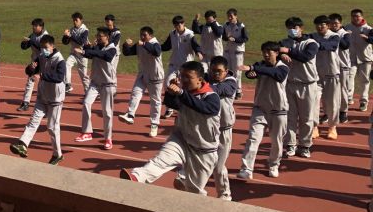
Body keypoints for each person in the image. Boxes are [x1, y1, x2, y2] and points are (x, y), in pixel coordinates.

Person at [120, 61, 220, 195]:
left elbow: (204, 108)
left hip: (204, 150)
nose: (183, 80)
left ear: (200, 80)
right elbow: (171, 103)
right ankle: (137, 177)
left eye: (188, 77)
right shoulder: (185, 93)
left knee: (194, 191)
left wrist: (181, 93)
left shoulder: (211, 97)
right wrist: (171, 92)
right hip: (181, 139)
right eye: (182, 76)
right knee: (160, 160)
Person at [10, 34, 67, 164]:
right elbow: (29, 70)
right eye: (42, 47)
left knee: (52, 127)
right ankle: (23, 144)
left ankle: (57, 154)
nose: (43, 50)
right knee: (33, 121)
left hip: (55, 99)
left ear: (52, 46)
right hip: (42, 96)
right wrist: (31, 68)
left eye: (46, 47)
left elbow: (59, 77)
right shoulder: (41, 56)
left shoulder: (60, 60)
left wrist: (41, 75)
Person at [237, 42, 289, 179]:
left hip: (278, 110)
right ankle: (246, 169)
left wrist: (254, 68)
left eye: (269, 52)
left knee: (277, 142)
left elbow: (277, 75)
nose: (266, 54)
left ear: (276, 53)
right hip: (260, 108)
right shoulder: (260, 65)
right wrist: (251, 72)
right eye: (264, 52)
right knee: (253, 139)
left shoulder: (283, 67)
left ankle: (273, 165)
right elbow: (250, 74)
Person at [279, 17, 319, 159]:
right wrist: (281, 54)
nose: (292, 30)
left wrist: (287, 51)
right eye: (290, 27)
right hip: (290, 83)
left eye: (295, 27)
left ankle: (305, 145)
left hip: (308, 84)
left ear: (301, 28)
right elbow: (276, 52)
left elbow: (305, 57)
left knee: (306, 118)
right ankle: (290, 144)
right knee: (290, 117)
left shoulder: (311, 43)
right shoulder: (284, 42)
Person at [74, 27, 118, 149]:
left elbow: (105, 56)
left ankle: (108, 139)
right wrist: (87, 48)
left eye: (100, 36)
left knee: (107, 112)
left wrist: (87, 51)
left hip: (108, 84)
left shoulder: (112, 49)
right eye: (97, 35)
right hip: (95, 83)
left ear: (107, 37)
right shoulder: (97, 47)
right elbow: (89, 54)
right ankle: (87, 132)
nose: (98, 38)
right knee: (86, 103)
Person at [118, 26, 165, 136]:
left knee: (155, 101)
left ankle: (154, 124)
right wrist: (125, 45)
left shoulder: (155, 44)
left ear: (150, 35)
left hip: (155, 76)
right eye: (141, 35)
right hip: (143, 74)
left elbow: (157, 52)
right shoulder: (140, 44)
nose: (142, 37)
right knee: (135, 93)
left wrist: (144, 44)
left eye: (144, 35)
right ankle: (130, 115)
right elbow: (127, 53)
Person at [160, 15, 203, 124]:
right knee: (167, 84)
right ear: (174, 25)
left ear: (183, 24)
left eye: (181, 23)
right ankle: (169, 108)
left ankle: (186, 108)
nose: (179, 25)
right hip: (174, 65)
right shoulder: (172, 34)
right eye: (176, 24)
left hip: (186, 67)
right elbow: (166, 46)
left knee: (186, 88)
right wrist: (155, 47)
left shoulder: (189, 34)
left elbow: (195, 45)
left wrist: (198, 52)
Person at [206, 56, 238, 200]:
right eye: (213, 70)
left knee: (218, 167)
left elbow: (219, 90)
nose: (216, 73)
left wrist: (200, 86)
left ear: (226, 71)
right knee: (201, 161)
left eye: (219, 71)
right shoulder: (205, 79)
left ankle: (225, 194)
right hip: (207, 130)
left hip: (224, 131)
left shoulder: (230, 82)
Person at [311, 15, 341, 140]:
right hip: (315, 75)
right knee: (313, 102)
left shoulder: (334, 36)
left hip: (331, 74)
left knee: (332, 103)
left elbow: (331, 46)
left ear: (328, 26)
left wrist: (314, 44)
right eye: (317, 25)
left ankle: (332, 127)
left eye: (322, 25)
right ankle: (314, 127)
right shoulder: (312, 36)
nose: (319, 27)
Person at [18, 18, 48, 111]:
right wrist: (24, 44)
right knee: (30, 80)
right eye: (33, 26)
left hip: (44, 62)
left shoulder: (45, 36)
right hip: (35, 61)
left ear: (41, 27)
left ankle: (47, 105)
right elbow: (27, 44)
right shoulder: (33, 35)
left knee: (44, 83)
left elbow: (43, 49)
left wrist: (32, 42)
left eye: (35, 26)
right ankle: (25, 102)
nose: (33, 27)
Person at [346, 8, 372, 112]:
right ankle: (349, 97)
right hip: (351, 58)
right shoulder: (347, 28)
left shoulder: (368, 29)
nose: (355, 18)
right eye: (353, 16)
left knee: (364, 80)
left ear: (362, 17)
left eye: (357, 16)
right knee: (349, 77)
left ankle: (363, 101)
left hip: (365, 58)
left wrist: (367, 38)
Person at [329, 13, 352, 123]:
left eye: (336, 23)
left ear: (340, 24)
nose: (334, 25)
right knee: (329, 91)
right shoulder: (326, 34)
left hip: (342, 66)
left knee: (343, 90)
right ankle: (328, 112)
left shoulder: (344, 34)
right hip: (330, 66)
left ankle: (343, 111)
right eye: (331, 23)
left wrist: (335, 36)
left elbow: (345, 45)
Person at [222, 8, 249, 99]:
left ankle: (238, 91)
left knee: (237, 72)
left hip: (238, 52)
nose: (229, 18)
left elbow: (245, 38)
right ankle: (229, 89)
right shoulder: (226, 25)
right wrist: (227, 38)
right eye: (228, 16)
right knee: (227, 71)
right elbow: (223, 37)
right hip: (227, 51)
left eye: (231, 16)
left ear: (236, 16)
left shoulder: (241, 26)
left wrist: (235, 39)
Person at [62, 12, 90, 94]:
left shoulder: (85, 30)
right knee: (67, 64)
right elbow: (65, 42)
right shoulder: (72, 30)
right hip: (73, 54)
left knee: (84, 76)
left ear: (81, 20)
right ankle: (68, 85)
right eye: (73, 20)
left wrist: (70, 36)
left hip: (82, 55)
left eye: (76, 20)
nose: (74, 22)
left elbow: (81, 42)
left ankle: (88, 92)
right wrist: (65, 36)